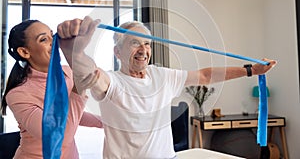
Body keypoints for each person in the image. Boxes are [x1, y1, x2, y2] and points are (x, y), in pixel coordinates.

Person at [57, 16, 277, 159]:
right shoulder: (113, 82)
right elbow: (88, 73)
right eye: (134, 42)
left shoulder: (161, 75)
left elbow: (205, 75)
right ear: (118, 52)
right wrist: (74, 52)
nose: (143, 49)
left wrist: (250, 71)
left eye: (147, 43)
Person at [0, 19, 103, 159]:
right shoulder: (18, 94)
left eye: (52, 36)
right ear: (24, 52)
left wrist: (108, 123)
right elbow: (58, 137)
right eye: (43, 39)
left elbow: (69, 116)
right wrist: (77, 91)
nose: (53, 42)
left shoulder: (66, 73)